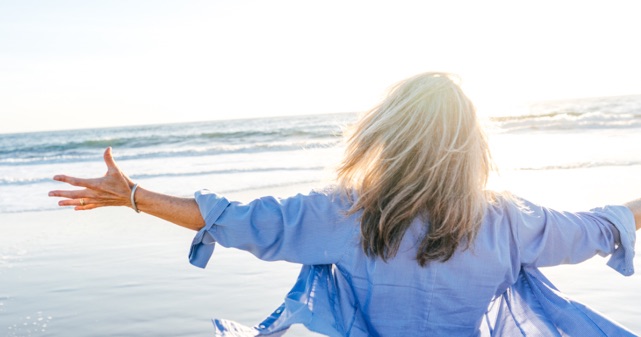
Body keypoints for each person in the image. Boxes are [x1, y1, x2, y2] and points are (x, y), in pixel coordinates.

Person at [49, 72, 640, 337]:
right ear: (473, 142)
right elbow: (602, 228)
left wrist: (133, 197)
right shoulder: (510, 222)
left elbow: (234, 221)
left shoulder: (346, 214)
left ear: (387, 133)